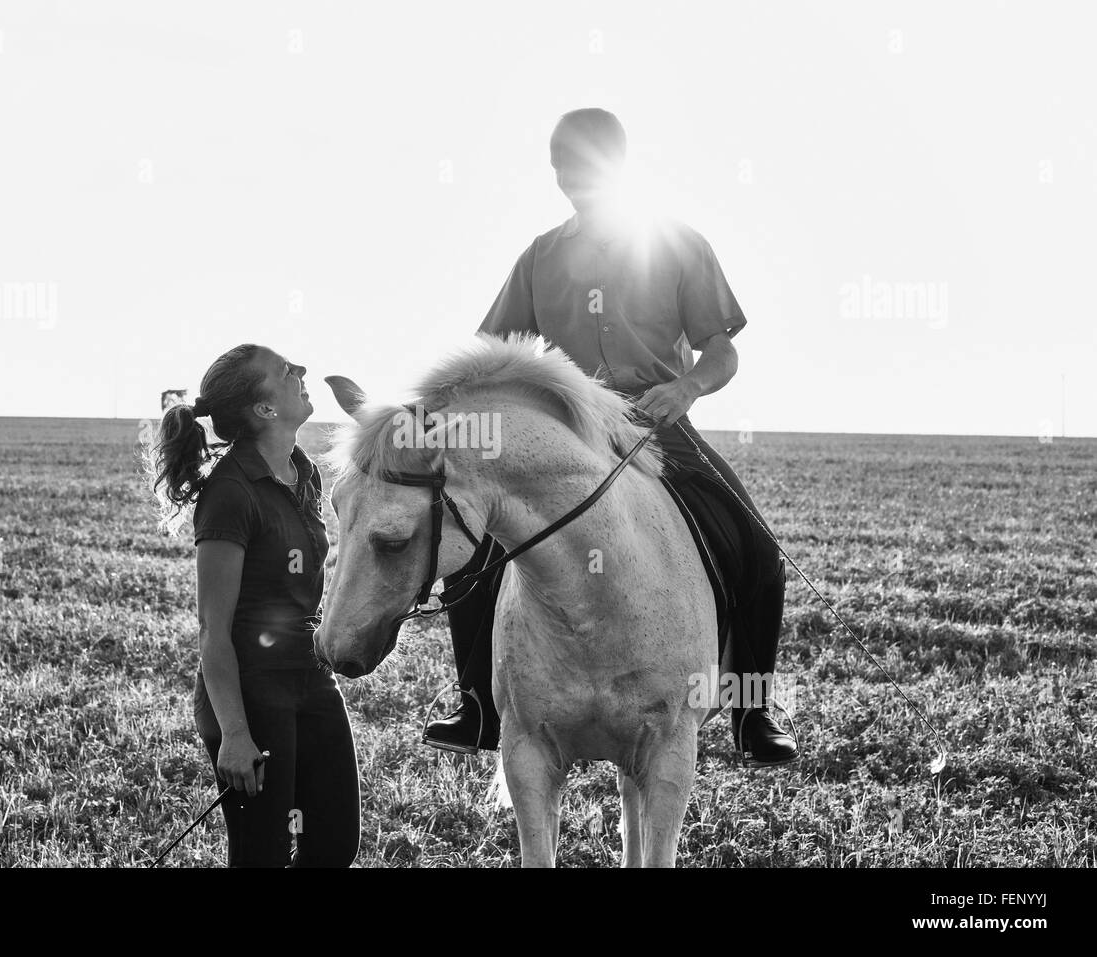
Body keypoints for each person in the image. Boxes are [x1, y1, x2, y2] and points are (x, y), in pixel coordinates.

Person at [425, 108, 798, 767]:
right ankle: (480, 707)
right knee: (479, 548)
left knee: (759, 551)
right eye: (563, 169)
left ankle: (751, 712)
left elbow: (721, 352)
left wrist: (684, 388)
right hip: (565, 428)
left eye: (585, 167)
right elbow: (492, 350)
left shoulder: (678, 244)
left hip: (658, 423)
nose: (573, 181)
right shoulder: (539, 256)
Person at [149, 344, 360, 865]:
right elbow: (211, 630)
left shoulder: (303, 473)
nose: (302, 372)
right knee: (261, 853)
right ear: (264, 410)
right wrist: (236, 734)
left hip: (312, 678)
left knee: (334, 843)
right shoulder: (231, 492)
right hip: (251, 690)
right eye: (287, 371)